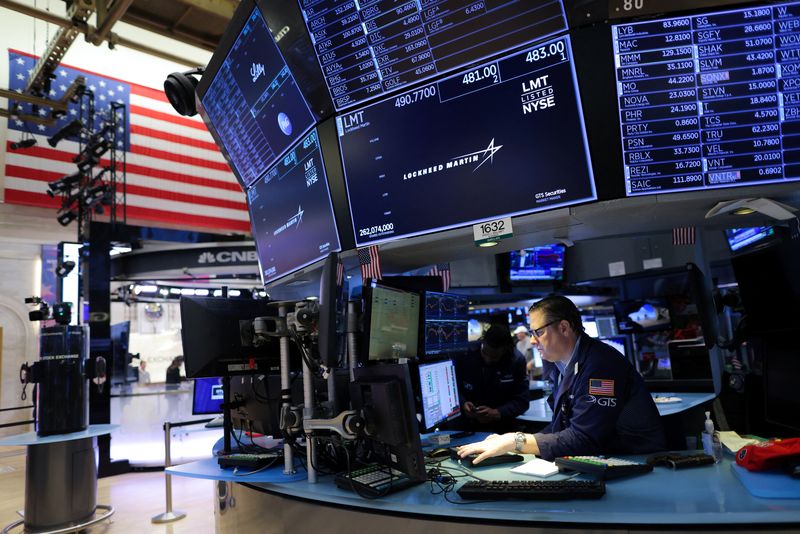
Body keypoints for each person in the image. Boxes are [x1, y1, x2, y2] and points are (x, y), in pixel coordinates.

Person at [459, 296, 666, 463]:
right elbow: (562, 427)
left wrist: (517, 441)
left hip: (635, 461)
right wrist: (510, 442)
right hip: (602, 458)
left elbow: (584, 438)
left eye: (538, 332)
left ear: (564, 328)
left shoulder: (601, 366)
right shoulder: (557, 364)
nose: (532, 340)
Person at [453, 324, 529, 434]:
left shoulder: (517, 361)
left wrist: (498, 412)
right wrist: (463, 403)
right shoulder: (465, 354)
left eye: (494, 357)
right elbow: (452, 388)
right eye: (485, 353)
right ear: (482, 342)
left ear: (506, 350)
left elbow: (522, 401)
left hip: (501, 429)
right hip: (465, 426)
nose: (488, 360)